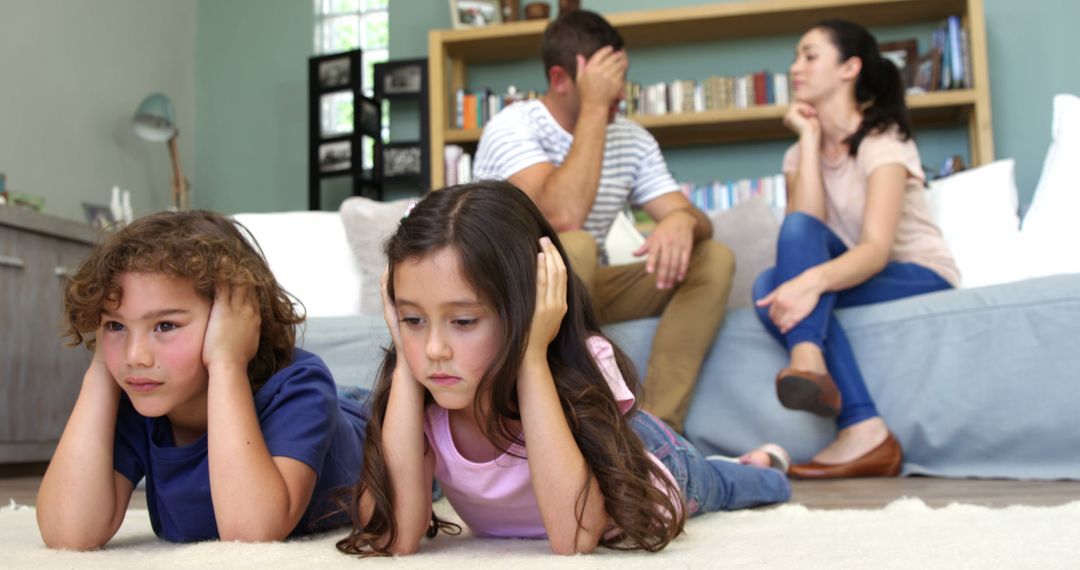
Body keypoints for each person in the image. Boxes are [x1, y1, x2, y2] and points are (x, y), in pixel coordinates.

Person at [334, 181, 790, 557]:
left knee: (729, 484)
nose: (434, 349)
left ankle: (765, 464)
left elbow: (573, 538)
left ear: (527, 309)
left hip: (654, 463)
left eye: (464, 321)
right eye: (413, 319)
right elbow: (394, 536)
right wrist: (405, 365)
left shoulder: (581, 363)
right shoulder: (426, 395)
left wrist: (531, 356)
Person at [36, 211, 369, 548]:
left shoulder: (299, 387)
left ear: (238, 321)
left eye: (165, 326)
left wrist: (227, 362)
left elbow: (251, 531)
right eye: (115, 326)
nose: (135, 356)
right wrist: (100, 369)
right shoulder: (141, 396)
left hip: (365, 421)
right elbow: (67, 533)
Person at [472, 10, 733, 434]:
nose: (620, 94)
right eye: (606, 80)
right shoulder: (512, 126)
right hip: (514, 289)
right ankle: (574, 424)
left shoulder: (632, 138)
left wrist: (682, 219)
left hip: (582, 288)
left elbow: (695, 218)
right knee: (573, 244)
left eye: (621, 77)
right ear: (561, 79)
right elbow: (559, 217)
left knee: (712, 258)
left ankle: (659, 434)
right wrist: (593, 110)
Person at [753, 20, 960, 479]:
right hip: (847, 271)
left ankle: (853, 415)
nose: (795, 68)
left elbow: (876, 250)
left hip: (914, 270)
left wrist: (808, 281)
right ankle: (844, 402)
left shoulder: (884, 139)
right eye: (796, 56)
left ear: (850, 68)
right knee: (768, 285)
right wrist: (808, 141)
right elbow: (804, 230)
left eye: (809, 56)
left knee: (779, 289)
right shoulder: (796, 156)